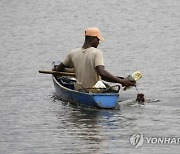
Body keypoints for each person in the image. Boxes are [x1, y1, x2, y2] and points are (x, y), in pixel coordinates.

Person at [53, 27, 135, 91]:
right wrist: (121, 81)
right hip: (95, 90)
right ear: (91, 39)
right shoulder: (97, 52)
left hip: (79, 90)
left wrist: (57, 69)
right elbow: (102, 73)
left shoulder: (73, 53)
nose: (99, 42)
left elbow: (59, 69)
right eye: (98, 39)